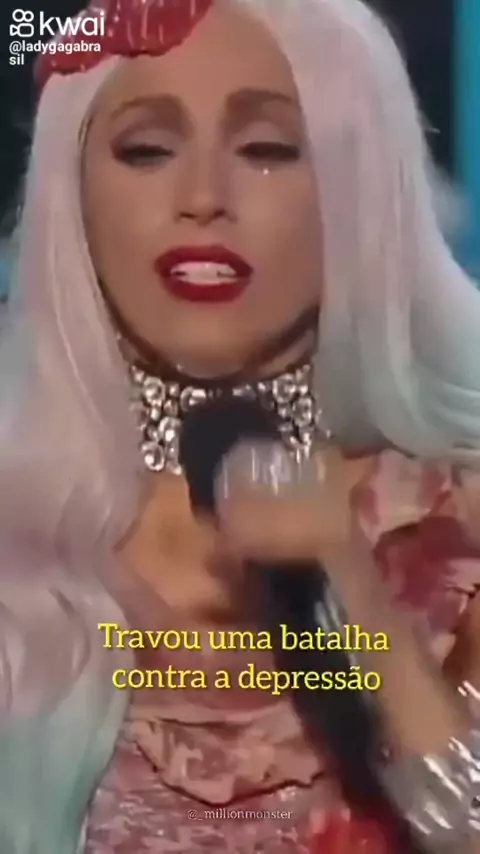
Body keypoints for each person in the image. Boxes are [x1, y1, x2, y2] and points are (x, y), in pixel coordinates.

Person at [2, 0, 480, 852]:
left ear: (360, 187)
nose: (202, 199)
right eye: (147, 150)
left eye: (265, 149)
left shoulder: (456, 522)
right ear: (70, 197)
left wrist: (349, 588)